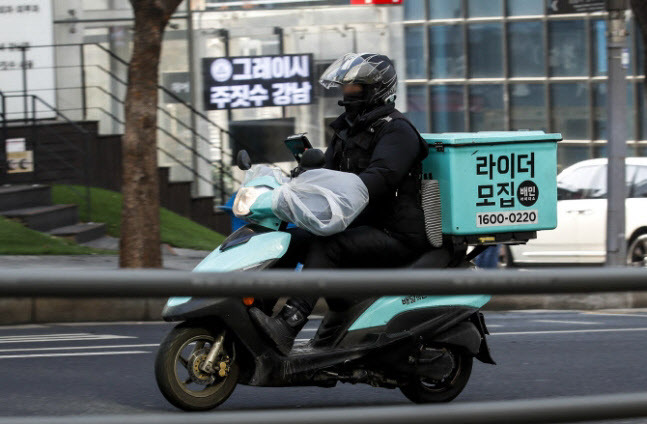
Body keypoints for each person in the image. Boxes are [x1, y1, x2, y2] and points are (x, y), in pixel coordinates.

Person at [249, 53, 431, 355]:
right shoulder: (349, 128)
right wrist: (303, 178)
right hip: (361, 224)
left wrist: (335, 185)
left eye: (355, 87)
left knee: (326, 246)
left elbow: (380, 179)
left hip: (396, 233)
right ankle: (258, 308)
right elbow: (329, 172)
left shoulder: (397, 131)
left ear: (377, 89)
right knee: (290, 239)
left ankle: (289, 323)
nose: (347, 94)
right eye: (344, 87)